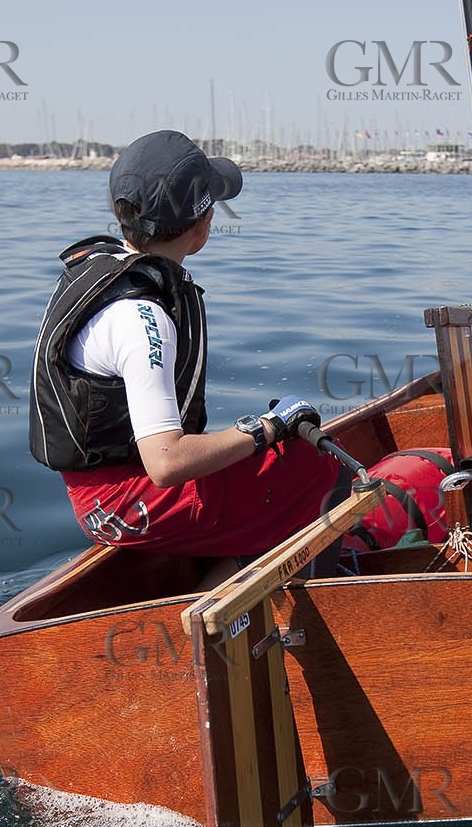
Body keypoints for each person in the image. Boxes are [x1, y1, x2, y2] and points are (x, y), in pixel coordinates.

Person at [28, 129, 343, 559]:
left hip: (100, 497)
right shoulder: (143, 318)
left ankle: (224, 566)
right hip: (124, 505)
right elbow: (166, 463)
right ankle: (254, 601)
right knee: (315, 467)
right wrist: (265, 427)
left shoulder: (102, 274)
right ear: (203, 224)